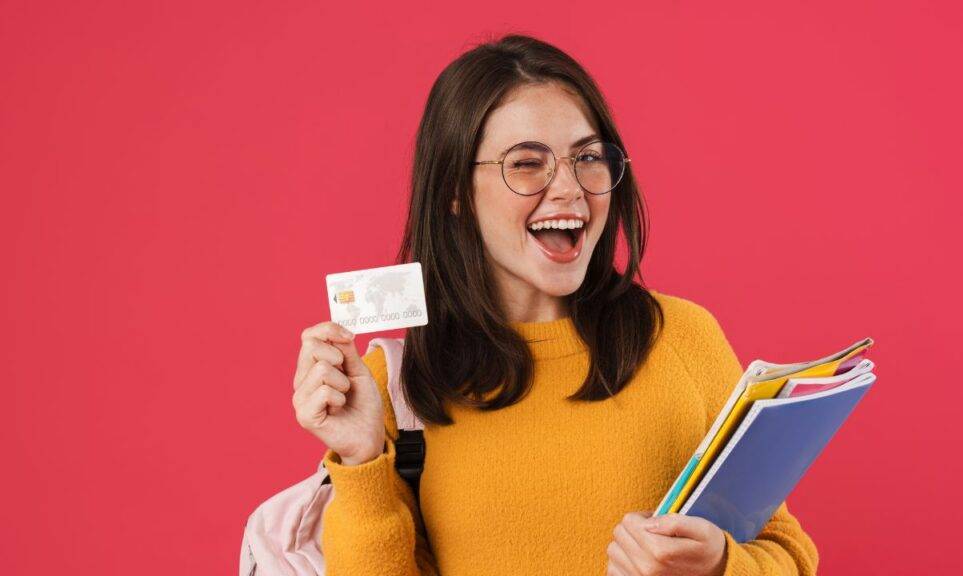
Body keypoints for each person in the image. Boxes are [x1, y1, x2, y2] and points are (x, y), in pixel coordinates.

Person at [291, 34, 819, 576]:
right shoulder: (402, 385)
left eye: (588, 157)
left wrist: (718, 564)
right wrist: (360, 462)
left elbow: (788, 554)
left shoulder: (682, 337)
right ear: (454, 190)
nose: (569, 188)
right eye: (526, 163)